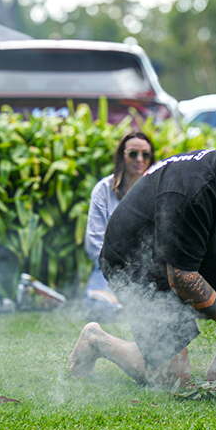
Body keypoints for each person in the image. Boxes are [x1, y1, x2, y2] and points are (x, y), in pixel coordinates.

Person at [68, 124, 216, 392]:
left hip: (196, 256)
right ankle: (98, 340)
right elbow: (182, 278)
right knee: (174, 380)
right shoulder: (194, 190)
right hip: (137, 262)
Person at [80, 132, 155, 323]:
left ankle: (124, 306)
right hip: (109, 268)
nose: (139, 160)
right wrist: (117, 269)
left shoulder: (158, 189)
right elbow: (94, 243)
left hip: (150, 270)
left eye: (145, 155)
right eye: (133, 154)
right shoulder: (103, 190)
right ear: (122, 155)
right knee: (96, 306)